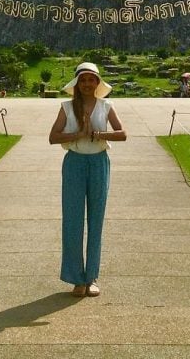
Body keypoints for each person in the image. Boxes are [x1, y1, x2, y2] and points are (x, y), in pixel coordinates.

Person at [49, 61, 126, 297]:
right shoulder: (66, 107)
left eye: (91, 80)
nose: (86, 84)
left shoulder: (106, 105)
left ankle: (91, 277)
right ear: (76, 83)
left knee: (96, 219)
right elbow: (53, 137)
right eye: (82, 80)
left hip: (99, 161)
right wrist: (79, 134)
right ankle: (76, 279)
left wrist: (97, 134)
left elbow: (122, 133)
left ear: (97, 83)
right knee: (72, 219)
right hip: (75, 162)